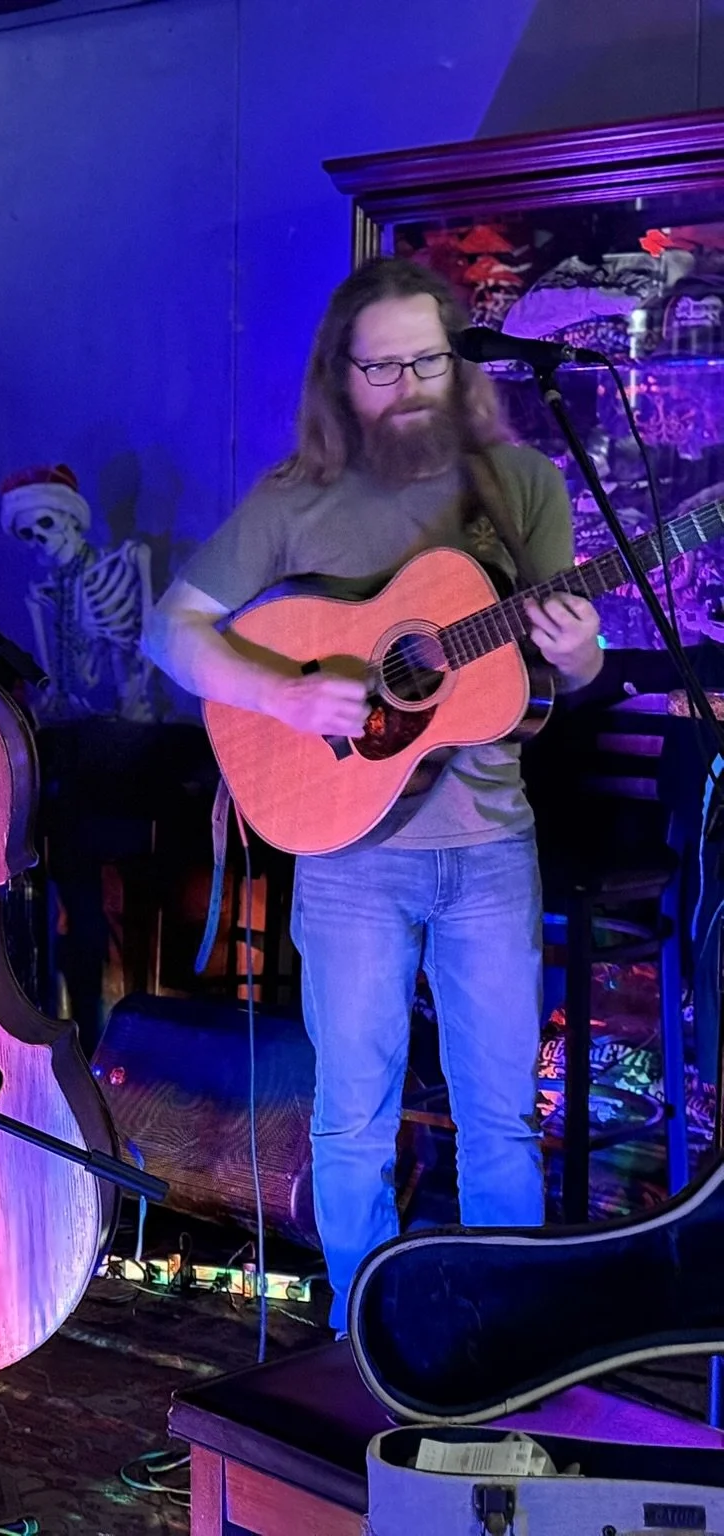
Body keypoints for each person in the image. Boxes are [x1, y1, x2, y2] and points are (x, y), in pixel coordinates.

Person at [142, 257, 602, 1333]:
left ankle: (503, 1339)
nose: (405, 385)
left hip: (489, 844)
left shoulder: (518, 487)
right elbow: (170, 629)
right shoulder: (293, 500)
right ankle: (360, 1339)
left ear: (459, 363)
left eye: (425, 361)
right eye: (379, 366)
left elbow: (550, 677)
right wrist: (291, 693)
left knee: (501, 1122)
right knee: (352, 1119)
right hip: (348, 854)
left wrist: (577, 657)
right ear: (337, 377)